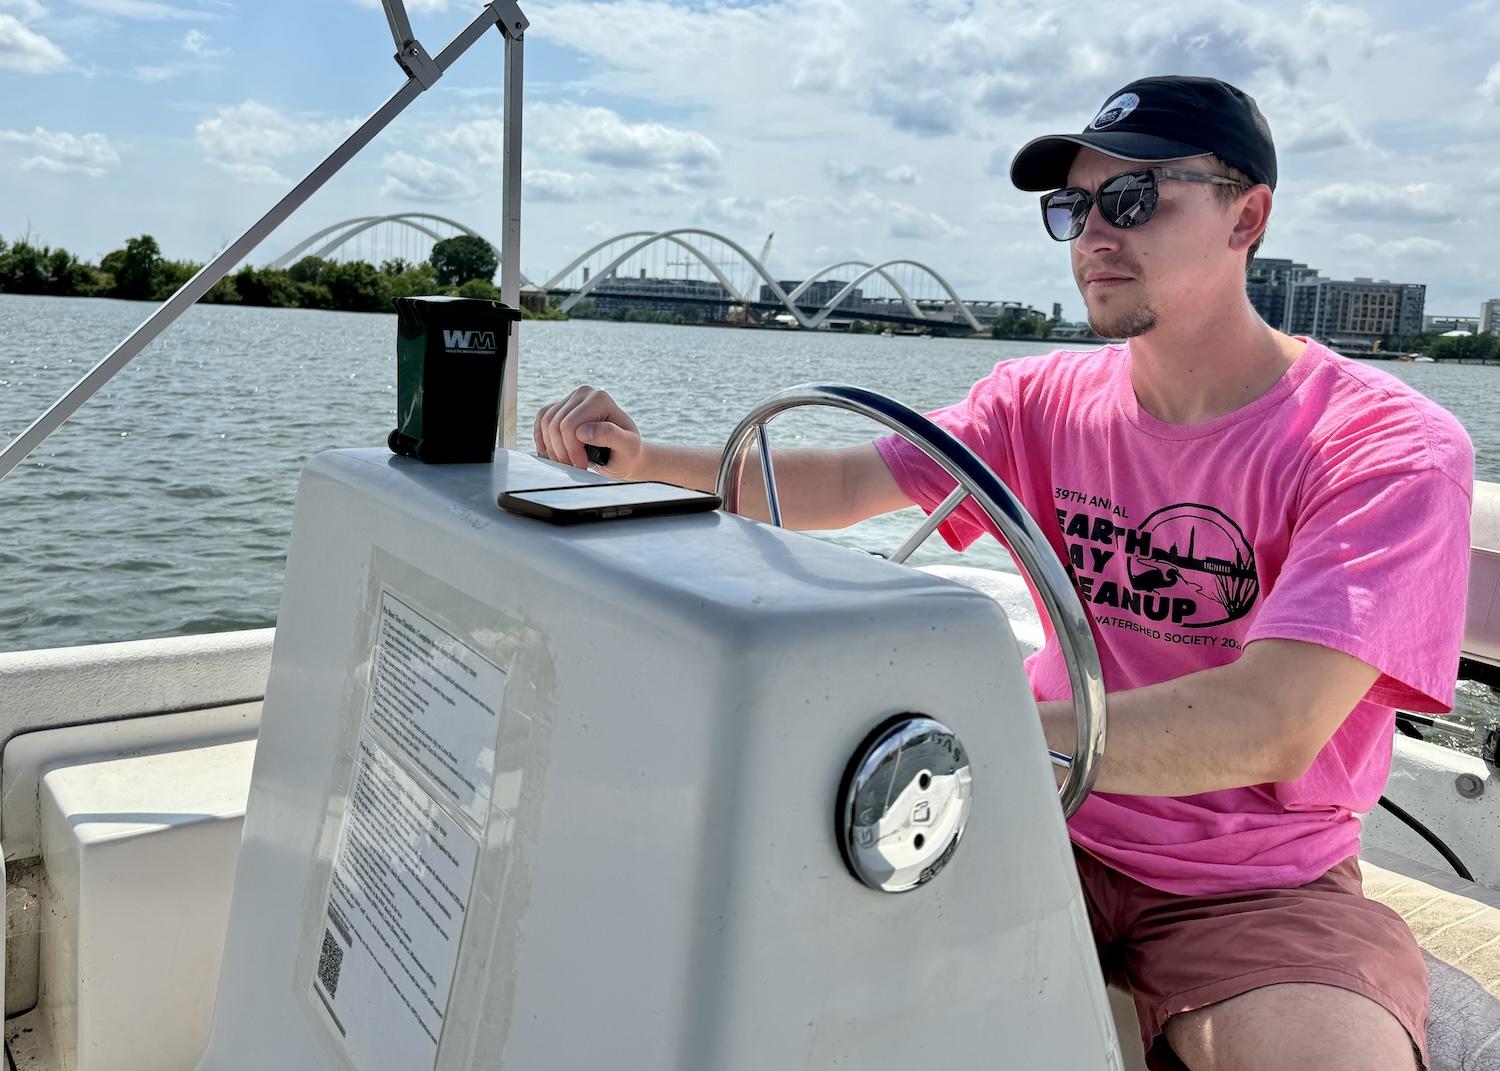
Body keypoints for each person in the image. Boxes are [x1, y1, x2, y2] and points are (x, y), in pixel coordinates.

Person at [534, 75, 1473, 1070]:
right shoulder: (1040, 399)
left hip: (1251, 883)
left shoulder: (1384, 445)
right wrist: (639, 462)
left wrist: (964, 732)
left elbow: (1271, 724)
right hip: (1033, 812)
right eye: (1073, 207)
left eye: (1135, 198)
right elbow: (850, 479)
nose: (1093, 236)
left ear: (1249, 216)